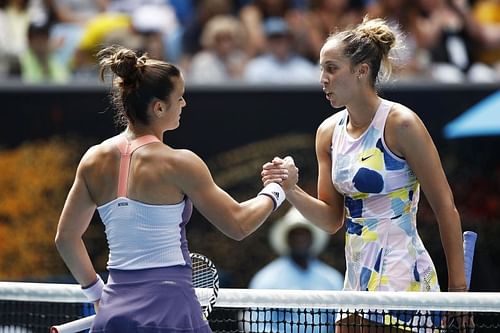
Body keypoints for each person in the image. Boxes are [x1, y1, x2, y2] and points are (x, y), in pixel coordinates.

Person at [54, 45, 295, 332]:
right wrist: (277, 189)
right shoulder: (179, 163)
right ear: (158, 107)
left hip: (115, 311)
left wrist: (96, 295)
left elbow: (66, 238)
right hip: (172, 308)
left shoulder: (93, 159)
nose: (184, 104)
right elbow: (238, 224)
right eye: (179, 98)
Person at [261, 17, 469, 332]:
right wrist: (291, 189)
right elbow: (332, 220)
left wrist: (459, 292)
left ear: (361, 71)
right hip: (355, 281)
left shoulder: (401, 124)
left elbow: (445, 208)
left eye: (332, 68)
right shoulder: (327, 133)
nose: (323, 78)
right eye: (321, 68)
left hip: (402, 277)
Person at [247, 206, 344, 332]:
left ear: (312, 238)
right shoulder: (266, 279)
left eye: (304, 234)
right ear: (287, 239)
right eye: (295, 234)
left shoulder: (332, 279)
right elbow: (258, 326)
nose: (300, 239)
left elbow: (339, 323)